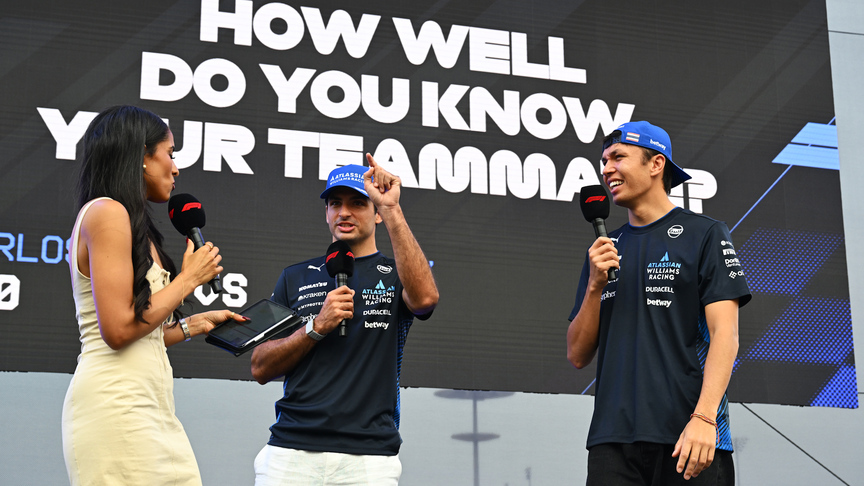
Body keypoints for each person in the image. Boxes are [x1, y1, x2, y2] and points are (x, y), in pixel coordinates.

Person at [62, 105, 246, 485]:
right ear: (141, 157)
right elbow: (116, 332)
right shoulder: (106, 213)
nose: (175, 168)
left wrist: (193, 324)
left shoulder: (131, 223)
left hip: (151, 408)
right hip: (116, 407)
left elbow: (139, 333)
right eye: (170, 153)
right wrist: (187, 280)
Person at [567, 121, 751, 485]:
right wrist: (594, 286)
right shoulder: (604, 250)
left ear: (656, 164)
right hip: (612, 443)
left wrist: (704, 419)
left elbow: (725, 335)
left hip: (690, 437)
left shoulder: (705, 233)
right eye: (603, 161)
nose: (606, 169)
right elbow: (577, 354)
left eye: (617, 157)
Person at [251, 155, 439, 485]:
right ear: (326, 212)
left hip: (369, 457)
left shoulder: (398, 274)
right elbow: (260, 366)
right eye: (335, 203)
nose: (344, 213)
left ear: (376, 213)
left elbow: (425, 300)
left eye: (357, 203)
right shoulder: (294, 276)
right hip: (291, 452)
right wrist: (315, 328)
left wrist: (392, 208)